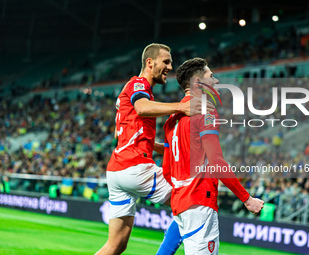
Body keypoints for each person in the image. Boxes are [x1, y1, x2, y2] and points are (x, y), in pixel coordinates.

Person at [95, 44, 214, 255]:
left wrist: (169, 149)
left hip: (117, 171)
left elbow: (118, 134)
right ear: (150, 62)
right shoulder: (139, 84)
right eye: (166, 62)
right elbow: (142, 108)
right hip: (134, 167)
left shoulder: (131, 91)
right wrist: (181, 106)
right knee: (191, 197)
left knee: (116, 245)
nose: (170, 66)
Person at [162, 58, 264, 254]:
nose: (216, 81)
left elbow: (167, 169)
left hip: (180, 202)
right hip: (199, 201)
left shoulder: (171, 118)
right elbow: (216, 161)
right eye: (211, 76)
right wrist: (246, 198)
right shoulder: (206, 110)